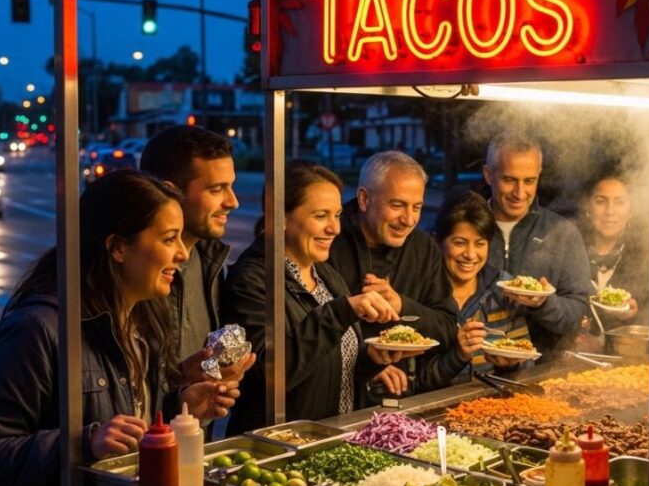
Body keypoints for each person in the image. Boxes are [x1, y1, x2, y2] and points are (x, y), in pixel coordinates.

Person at [0, 170, 238, 486]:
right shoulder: (39, 328)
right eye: (168, 238)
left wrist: (182, 406)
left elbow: (127, 421)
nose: (183, 255)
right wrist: (83, 441)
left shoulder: (142, 320)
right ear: (118, 247)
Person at [223, 161, 402, 432]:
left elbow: (327, 366)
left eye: (337, 215)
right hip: (280, 449)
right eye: (321, 216)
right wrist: (341, 311)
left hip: (330, 439)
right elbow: (270, 375)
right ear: (279, 217)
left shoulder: (327, 276)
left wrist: (372, 361)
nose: (335, 228)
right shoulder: (251, 280)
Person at [139, 126, 254, 412]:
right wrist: (179, 387)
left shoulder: (210, 262)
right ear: (170, 192)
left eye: (231, 186)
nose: (233, 201)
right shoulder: (137, 271)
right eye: (216, 189)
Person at [328, 151, 458, 386]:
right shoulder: (328, 240)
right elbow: (308, 336)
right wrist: (367, 365)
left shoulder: (423, 247)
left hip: (404, 398)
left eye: (417, 207)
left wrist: (402, 305)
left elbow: (448, 329)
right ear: (364, 199)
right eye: (397, 205)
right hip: (334, 401)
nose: (408, 219)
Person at [482, 134, 591, 355]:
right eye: (510, 180)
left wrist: (543, 304)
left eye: (529, 181)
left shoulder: (563, 233)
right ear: (488, 175)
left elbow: (578, 314)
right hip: (473, 373)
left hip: (540, 372)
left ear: (539, 177)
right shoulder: (466, 231)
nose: (520, 193)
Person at [425, 191, 532, 382]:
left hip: (494, 406)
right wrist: (457, 356)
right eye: (460, 243)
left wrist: (510, 364)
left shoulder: (505, 289)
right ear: (437, 241)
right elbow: (414, 382)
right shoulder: (423, 293)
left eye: (480, 244)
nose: (471, 255)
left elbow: (526, 367)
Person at [579, 174, 649, 336]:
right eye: (600, 201)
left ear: (631, 211)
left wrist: (632, 316)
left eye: (619, 202)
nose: (610, 211)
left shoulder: (647, 259)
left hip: (628, 356)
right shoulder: (570, 251)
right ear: (587, 208)